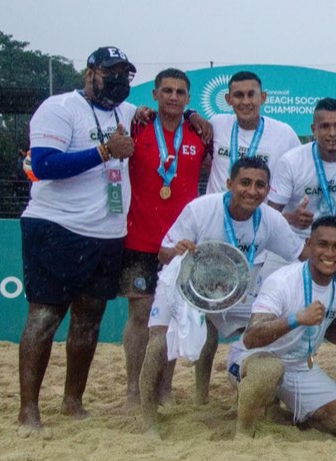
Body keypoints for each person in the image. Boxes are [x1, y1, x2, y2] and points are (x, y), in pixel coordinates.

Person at [18, 46, 139, 435]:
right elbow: (43, 165)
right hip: (57, 226)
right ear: (90, 73)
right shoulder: (59, 108)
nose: (118, 80)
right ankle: (28, 411)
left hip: (107, 232)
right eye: (110, 72)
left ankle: (73, 401)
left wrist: (191, 117)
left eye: (125, 73)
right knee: (45, 317)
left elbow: (163, 112)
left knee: (89, 319)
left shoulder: (127, 112)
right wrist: (105, 151)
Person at [140, 157, 306, 432]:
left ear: (268, 190)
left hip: (235, 292)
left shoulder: (271, 219)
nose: (252, 191)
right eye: (245, 183)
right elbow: (163, 253)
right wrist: (178, 250)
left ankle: (260, 402)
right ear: (229, 183)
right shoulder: (201, 209)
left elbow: (302, 255)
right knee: (158, 342)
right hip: (186, 285)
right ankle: (148, 418)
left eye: (260, 185)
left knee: (270, 329)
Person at [119, 68, 210, 409]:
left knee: (173, 316)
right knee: (141, 316)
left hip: (181, 245)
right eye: (167, 90)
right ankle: (133, 389)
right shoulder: (137, 125)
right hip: (140, 239)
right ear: (155, 94)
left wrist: (194, 115)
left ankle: (164, 389)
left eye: (180, 92)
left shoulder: (201, 133)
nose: (173, 96)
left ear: (188, 98)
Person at [230, 216, 336, 437]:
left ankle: (277, 407)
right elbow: (251, 338)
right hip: (253, 359)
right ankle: (243, 432)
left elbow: (329, 324)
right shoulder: (282, 281)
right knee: (269, 370)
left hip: (300, 366)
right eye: (322, 244)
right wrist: (296, 319)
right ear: (309, 245)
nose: (330, 253)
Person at [268, 98, 336, 237]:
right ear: (314, 130)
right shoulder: (291, 162)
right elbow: (269, 216)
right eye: (325, 126)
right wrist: (292, 218)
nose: (332, 133)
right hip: (298, 242)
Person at [206, 71, 300, 194]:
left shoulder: (284, 133)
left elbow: (300, 172)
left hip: (260, 206)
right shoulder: (217, 124)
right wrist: (191, 114)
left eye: (251, 95)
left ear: (263, 97)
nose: (245, 102)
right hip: (219, 206)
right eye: (238, 95)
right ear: (228, 99)